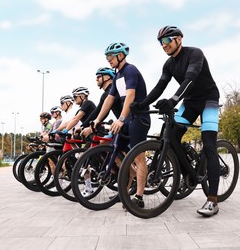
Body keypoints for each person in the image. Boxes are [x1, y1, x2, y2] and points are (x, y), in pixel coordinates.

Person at [130, 25, 221, 217]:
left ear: (179, 39)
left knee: (209, 145)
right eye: (160, 43)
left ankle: (212, 200)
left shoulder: (195, 54)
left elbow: (190, 79)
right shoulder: (169, 64)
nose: (163, 45)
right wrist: (142, 104)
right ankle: (188, 169)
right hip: (190, 102)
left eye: (166, 41)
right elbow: (159, 87)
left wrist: (173, 100)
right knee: (170, 135)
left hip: (208, 100)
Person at [92, 42, 151, 208]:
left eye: (111, 57)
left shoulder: (130, 70)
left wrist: (121, 119)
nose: (108, 60)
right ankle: (125, 191)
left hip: (139, 118)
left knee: (139, 156)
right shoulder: (117, 76)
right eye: (106, 57)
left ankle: (139, 197)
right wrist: (97, 119)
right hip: (127, 118)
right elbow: (110, 100)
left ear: (120, 56)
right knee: (117, 151)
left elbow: (131, 95)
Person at [80, 67, 122, 137]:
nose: (96, 79)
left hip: (130, 121)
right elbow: (97, 111)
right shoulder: (105, 94)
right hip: (123, 122)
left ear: (107, 77)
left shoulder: (112, 91)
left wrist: (92, 127)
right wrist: (82, 126)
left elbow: (105, 112)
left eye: (98, 76)